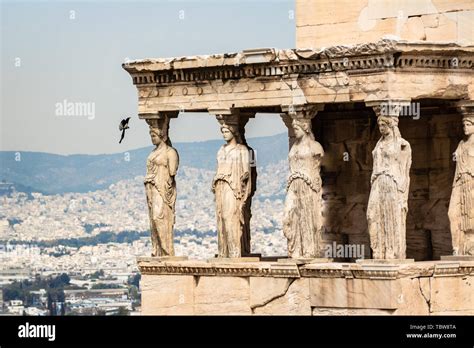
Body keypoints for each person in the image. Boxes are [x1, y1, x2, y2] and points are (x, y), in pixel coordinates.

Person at [367, 115, 411, 259]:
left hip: (392, 183)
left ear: (391, 125)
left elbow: (405, 169)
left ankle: (392, 252)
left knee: (391, 216)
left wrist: (403, 192)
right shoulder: (378, 144)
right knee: (372, 215)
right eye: (379, 125)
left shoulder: (402, 144)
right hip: (378, 183)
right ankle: (378, 250)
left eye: (383, 125)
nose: (381, 128)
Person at [283, 118, 324, 258]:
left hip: (308, 186)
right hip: (293, 185)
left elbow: (317, 166)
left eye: (297, 128)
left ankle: (309, 250)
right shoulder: (294, 147)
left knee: (307, 217)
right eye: (293, 129)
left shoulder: (315, 147)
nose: (294, 131)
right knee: (289, 216)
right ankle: (295, 250)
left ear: (305, 128)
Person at [212, 123, 252, 257]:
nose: (224, 134)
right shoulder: (220, 150)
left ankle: (235, 253)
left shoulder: (243, 150)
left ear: (233, 131)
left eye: (226, 131)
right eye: (222, 131)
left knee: (230, 218)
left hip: (233, 188)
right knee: (222, 219)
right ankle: (225, 252)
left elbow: (247, 173)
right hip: (220, 187)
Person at [144, 127, 179, 256]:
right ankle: (158, 250)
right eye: (151, 135)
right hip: (151, 189)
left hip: (162, 188)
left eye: (154, 135)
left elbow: (172, 171)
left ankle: (167, 251)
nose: (152, 137)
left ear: (162, 136)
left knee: (158, 217)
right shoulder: (153, 152)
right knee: (153, 220)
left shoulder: (171, 152)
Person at [448, 114, 474, 256]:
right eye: (464, 125)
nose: (465, 127)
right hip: (459, 181)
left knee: (471, 214)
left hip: (472, 181)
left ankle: (470, 248)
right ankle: (457, 247)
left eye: (469, 124)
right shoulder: (461, 144)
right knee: (452, 213)